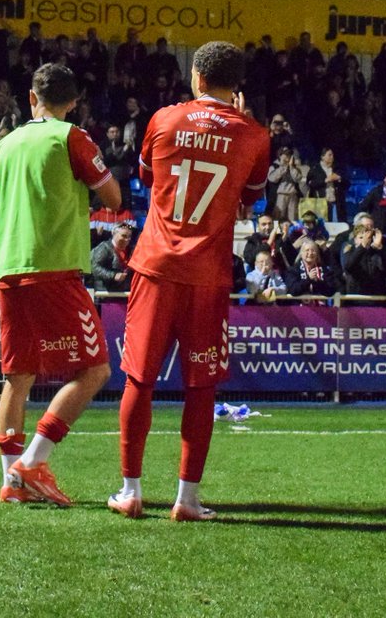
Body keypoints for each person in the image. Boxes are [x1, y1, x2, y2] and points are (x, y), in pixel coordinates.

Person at [109, 41, 269, 521]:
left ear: (197, 78)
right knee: (201, 386)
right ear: (236, 86)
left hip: (156, 266)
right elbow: (249, 203)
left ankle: (131, 491)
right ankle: (187, 499)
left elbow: (145, 177)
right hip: (208, 275)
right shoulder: (255, 135)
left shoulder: (164, 118)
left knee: (140, 377)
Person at [0, 63, 121, 506]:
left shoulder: (3, 147)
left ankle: (11, 481)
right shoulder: (71, 137)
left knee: (18, 375)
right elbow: (113, 198)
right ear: (74, 102)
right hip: (55, 268)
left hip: (10, 268)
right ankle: (33, 462)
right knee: (95, 370)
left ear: (31, 98)